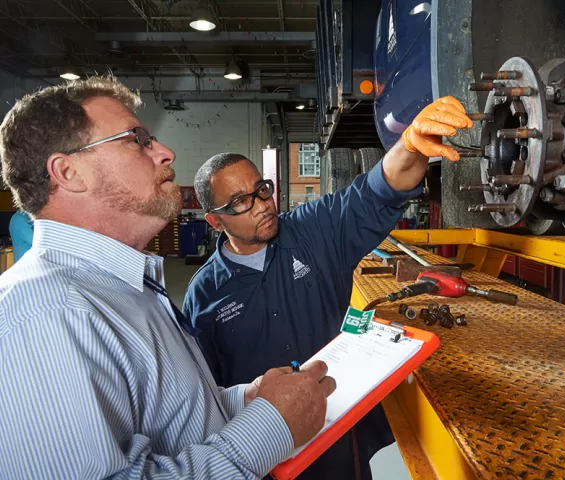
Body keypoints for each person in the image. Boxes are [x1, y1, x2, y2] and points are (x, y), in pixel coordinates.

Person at [0, 76, 336, 479]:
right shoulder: (47, 315)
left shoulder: (122, 287)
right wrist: (270, 427)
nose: (165, 152)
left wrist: (246, 400)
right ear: (69, 172)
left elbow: (166, 422)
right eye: (136, 139)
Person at [183, 96, 473, 478]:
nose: (261, 205)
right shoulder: (204, 295)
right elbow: (205, 399)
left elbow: (376, 192)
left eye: (262, 190)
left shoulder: (313, 231)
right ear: (215, 221)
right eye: (240, 202)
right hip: (268, 457)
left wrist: (409, 145)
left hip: (340, 442)